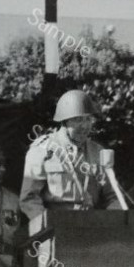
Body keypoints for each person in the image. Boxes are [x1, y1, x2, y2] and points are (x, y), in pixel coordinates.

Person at [19, 89, 124, 218]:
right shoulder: (42, 149)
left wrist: (111, 220)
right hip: (56, 225)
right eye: (78, 120)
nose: (85, 126)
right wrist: (45, 225)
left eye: (88, 119)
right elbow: (29, 199)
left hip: (93, 226)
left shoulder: (98, 152)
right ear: (64, 121)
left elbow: (113, 196)